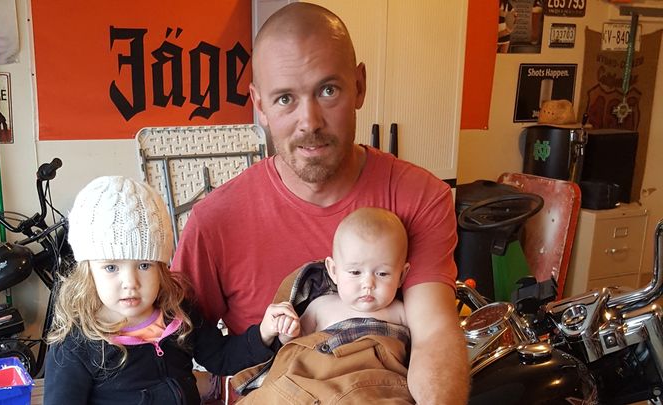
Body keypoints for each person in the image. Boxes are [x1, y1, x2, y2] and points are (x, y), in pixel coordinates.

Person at [171, 3, 469, 403]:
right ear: (259, 105)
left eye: (328, 90)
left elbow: (434, 334)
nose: (309, 122)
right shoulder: (214, 221)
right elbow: (171, 344)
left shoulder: (420, 197)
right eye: (285, 99)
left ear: (359, 86)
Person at [44, 176, 298, 405]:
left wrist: (264, 333)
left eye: (144, 265)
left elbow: (222, 357)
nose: (130, 282)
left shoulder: (179, 314)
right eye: (111, 267)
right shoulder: (74, 346)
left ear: (161, 268)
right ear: (88, 272)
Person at [238, 207, 415, 403]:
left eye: (382, 274)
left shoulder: (402, 312)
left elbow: (425, 349)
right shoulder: (321, 306)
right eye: (355, 272)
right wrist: (288, 329)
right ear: (333, 271)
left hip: (370, 390)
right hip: (311, 386)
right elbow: (292, 345)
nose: (368, 284)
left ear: (402, 275)